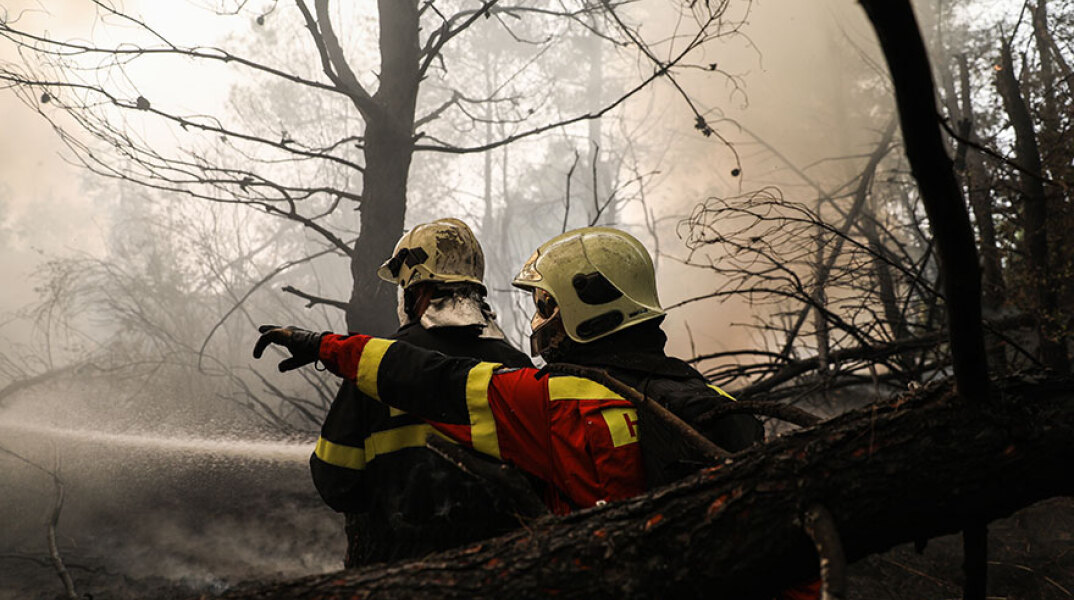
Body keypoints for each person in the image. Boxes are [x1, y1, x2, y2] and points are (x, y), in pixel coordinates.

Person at [259, 227, 762, 515]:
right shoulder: (718, 401)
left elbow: (438, 383)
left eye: (546, 304)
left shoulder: (558, 399)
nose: (538, 320)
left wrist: (327, 347)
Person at [307, 218, 533, 566]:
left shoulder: (376, 367)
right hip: (505, 570)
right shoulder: (518, 368)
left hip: (397, 570)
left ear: (417, 291)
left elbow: (336, 481)